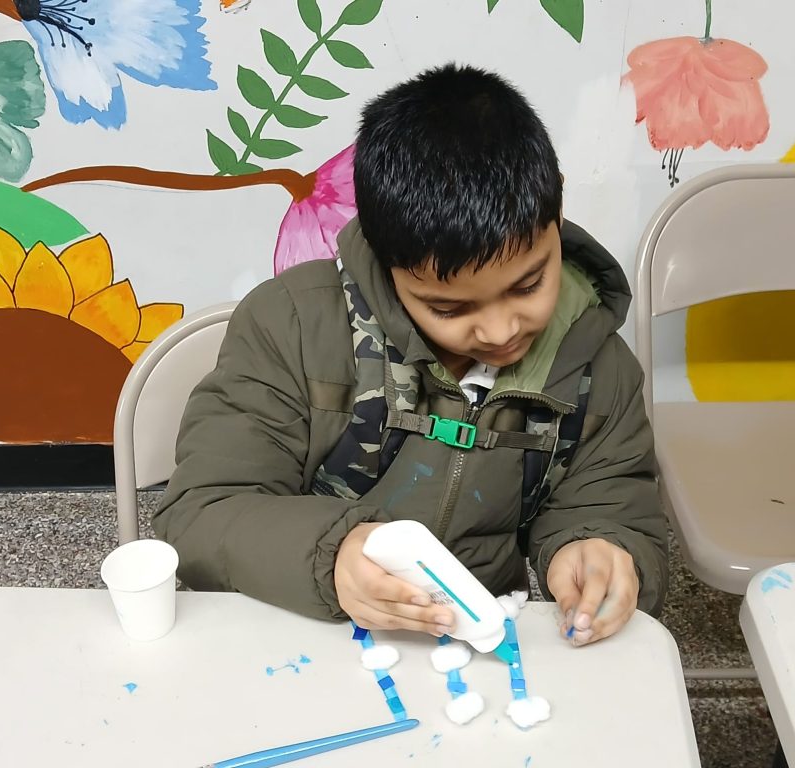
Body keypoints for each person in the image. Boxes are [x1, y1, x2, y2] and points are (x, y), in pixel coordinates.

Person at [154, 63, 668, 647]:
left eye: (528, 286)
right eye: (449, 309)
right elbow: (199, 515)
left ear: (556, 209)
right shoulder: (292, 326)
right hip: (302, 626)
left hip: (477, 649)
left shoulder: (600, 368)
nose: (501, 331)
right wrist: (331, 556)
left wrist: (598, 550)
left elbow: (613, 505)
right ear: (385, 257)